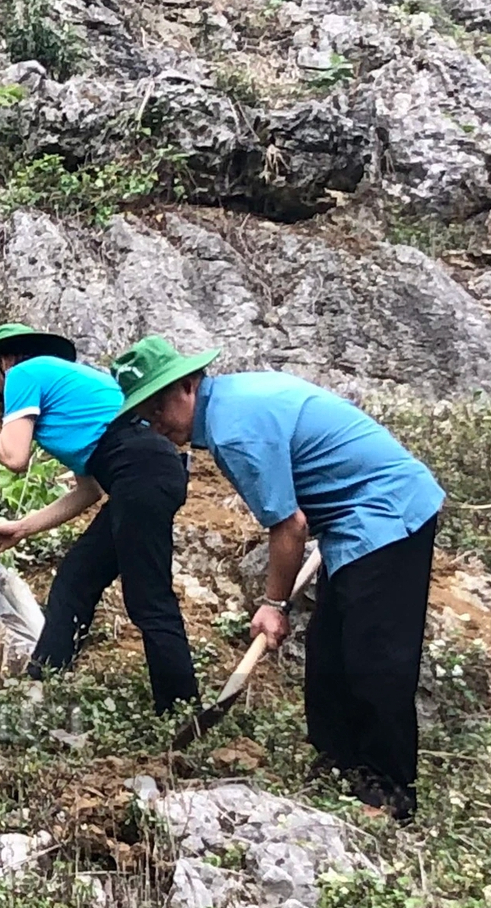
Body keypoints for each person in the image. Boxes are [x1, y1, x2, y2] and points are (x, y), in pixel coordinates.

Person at [113, 336, 445, 821]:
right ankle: (339, 764)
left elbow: (289, 525)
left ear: (187, 386)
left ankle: (390, 793)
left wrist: (275, 604)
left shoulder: (234, 429)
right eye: (144, 414)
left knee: (375, 657)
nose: (155, 423)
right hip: (350, 524)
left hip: (386, 512)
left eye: (158, 406)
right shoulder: (231, 404)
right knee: (329, 652)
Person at [0, 323, 199, 714]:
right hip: (142, 472)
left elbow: (14, 458)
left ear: (3, 363)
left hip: (141, 471)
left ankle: (181, 709)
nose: (1, 397)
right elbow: (89, 490)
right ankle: (39, 692)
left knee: (148, 598)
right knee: (75, 579)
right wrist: (24, 527)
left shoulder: (23, 374)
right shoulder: (65, 392)